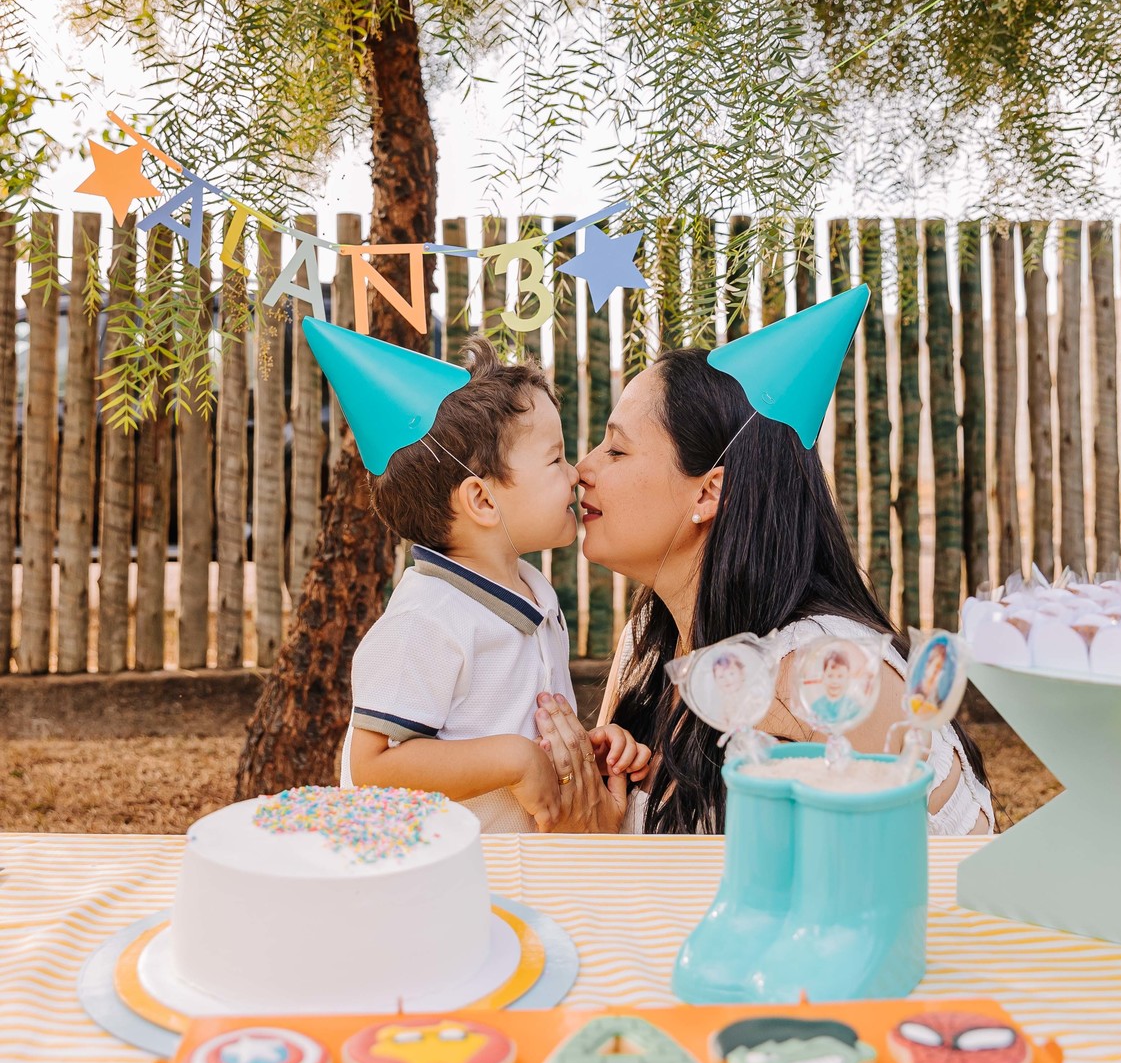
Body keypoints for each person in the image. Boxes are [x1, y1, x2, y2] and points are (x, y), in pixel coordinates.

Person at [534, 345, 993, 835]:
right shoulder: (646, 645)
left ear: (708, 492)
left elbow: (870, 872)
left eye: (616, 450)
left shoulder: (828, 671)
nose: (581, 469)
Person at [342, 337, 649, 831]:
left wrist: (579, 752)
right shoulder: (425, 620)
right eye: (555, 459)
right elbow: (372, 766)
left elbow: (516, 730)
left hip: (510, 868)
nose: (575, 474)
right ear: (483, 501)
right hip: (443, 874)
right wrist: (517, 760)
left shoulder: (534, 595)